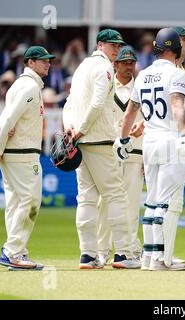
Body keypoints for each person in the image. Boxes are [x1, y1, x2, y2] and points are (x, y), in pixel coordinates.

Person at [114, 27, 185, 271]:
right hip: (170, 141)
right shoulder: (177, 73)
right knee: (163, 204)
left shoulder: (144, 74)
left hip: (149, 144)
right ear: (175, 48)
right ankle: (159, 260)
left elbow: (130, 112)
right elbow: (178, 105)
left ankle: (148, 258)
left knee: (151, 201)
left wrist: (123, 139)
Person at [62, 29, 132, 269]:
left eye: (118, 45)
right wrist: (79, 128)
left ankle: (88, 255)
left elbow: (69, 104)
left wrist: (70, 128)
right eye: (112, 45)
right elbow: (98, 101)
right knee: (114, 195)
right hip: (99, 140)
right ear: (100, 44)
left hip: (81, 143)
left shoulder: (82, 67)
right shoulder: (104, 67)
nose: (116, 49)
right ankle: (123, 254)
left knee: (87, 199)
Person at [0, 46, 55, 269]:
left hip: (15, 153)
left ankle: (17, 252)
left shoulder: (20, 86)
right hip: (22, 154)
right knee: (31, 202)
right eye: (43, 60)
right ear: (30, 63)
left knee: (15, 204)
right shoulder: (29, 87)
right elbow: (7, 119)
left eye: (48, 60)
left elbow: (2, 120)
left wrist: (1, 148)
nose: (47, 63)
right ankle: (12, 251)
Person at [96, 46, 143, 268]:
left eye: (132, 63)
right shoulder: (105, 87)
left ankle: (131, 249)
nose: (129, 67)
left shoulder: (141, 89)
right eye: (124, 63)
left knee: (131, 204)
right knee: (104, 203)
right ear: (115, 65)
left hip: (135, 153)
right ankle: (101, 250)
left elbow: (151, 120)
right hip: (108, 153)